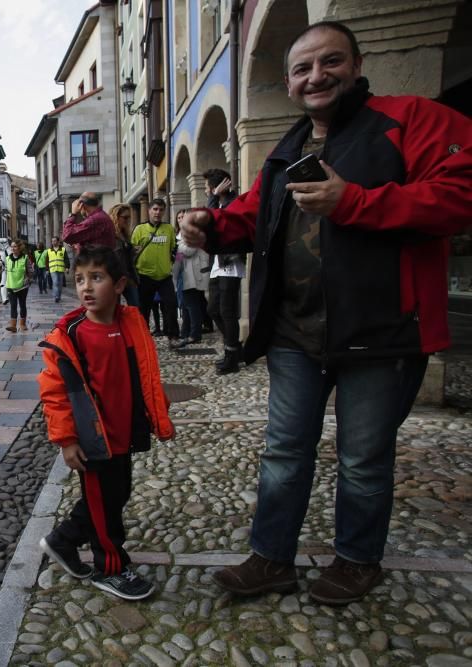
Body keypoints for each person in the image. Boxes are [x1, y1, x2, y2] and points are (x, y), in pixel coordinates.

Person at [181, 20, 472, 605]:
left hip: (382, 331)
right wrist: (212, 225)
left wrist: (356, 201)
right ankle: (271, 558)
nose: (317, 75)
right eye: (303, 68)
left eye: (330, 62)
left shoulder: (412, 119)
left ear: (357, 65)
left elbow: (460, 195)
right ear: (289, 84)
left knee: (364, 457)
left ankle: (358, 560)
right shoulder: (288, 148)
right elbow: (253, 216)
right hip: (294, 332)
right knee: (284, 453)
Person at [37, 245, 175, 600]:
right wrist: (67, 440)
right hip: (93, 441)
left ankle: (62, 541)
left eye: (96, 278)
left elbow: (145, 372)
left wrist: (156, 411)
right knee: (103, 508)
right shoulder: (72, 335)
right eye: (79, 279)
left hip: (123, 434)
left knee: (118, 494)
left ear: (119, 285)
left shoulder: (131, 323)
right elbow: (55, 393)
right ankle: (110, 567)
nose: (85, 287)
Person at [203, 168, 244, 374]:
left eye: (207, 188)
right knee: (213, 309)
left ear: (216, 187)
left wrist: (212, 197)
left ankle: (232, 356)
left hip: (230, 261)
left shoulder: (233, 203)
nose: (205, 191)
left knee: (227, 312)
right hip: (217, 263)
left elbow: (213, 221)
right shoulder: (219, 202)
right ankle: (234, 347)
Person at [131, 198, 180, 344]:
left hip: (164, 276)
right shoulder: (140, 229)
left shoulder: (169, 229)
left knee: (171, 304)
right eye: (155, 209)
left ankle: (173, 336)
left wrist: (172, 262)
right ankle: (143, 337)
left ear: (164, 211)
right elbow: (132, 251)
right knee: (144, 309)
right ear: (149, 210)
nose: (158, 213)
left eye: (161, 210)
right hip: (145, 275)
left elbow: (174, 249)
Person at [174, 224, 210, 347]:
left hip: (194, 278)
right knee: (185, 306)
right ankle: (185, 332)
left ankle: (195, 334)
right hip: (185, 277)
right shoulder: (183, 242)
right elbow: (179, 259)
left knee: (192, 306)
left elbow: (187, 251)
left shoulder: (193, 240)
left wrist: (178, 246)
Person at [108, 204, 140, 307]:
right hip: (116, 278)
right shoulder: (110, 235)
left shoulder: (125, 234)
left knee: (135, 307)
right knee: (114, 309)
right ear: (116, 217)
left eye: (129, 217)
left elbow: (126, 258)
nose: (127, 220)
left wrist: (133, 251)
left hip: (129, 277)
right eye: (125, 217)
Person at [4, 239, 30, 332]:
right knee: (13, 306)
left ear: (19, 248)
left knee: (22, 305)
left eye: (15, 246)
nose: (12, 248)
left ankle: (22, 324)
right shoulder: (7, 259)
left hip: (22, 287)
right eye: (11, 246)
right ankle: (13, 326)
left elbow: (30, 271)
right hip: (10, 286)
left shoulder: (25, 258)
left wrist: (28, 278)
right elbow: (6, 271)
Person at [46, 237, 68, 303]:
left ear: (58, 242)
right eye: (52, 241)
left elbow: (66, 259)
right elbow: (47, 261)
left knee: (60, 284)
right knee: (55, 282)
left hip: (61, 269)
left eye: (55, 241)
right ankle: (56, 297)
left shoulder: (63, 249)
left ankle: (59, 296)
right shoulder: (49, 250)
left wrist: (67, 267)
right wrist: (47, 269)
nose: (53, 242)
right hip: (53, 269)